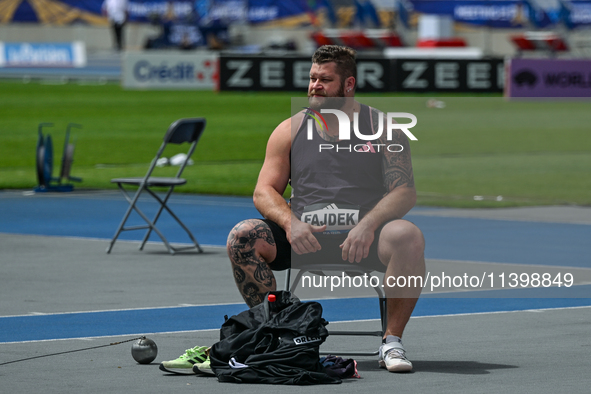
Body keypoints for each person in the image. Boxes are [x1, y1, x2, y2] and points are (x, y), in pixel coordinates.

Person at [226, 45, 425, 373]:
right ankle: (272, 335)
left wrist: (368, 224)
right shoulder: (289, 129)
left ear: (348, 85)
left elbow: (404, 191)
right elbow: (264, 192)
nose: (314, 86)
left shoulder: (384, 127)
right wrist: (291, 224)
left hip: (363, 239)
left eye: (324, 80)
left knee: (409, 235)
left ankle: (392, 342)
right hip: (304, 238)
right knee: (243, 236)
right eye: (312, 78)